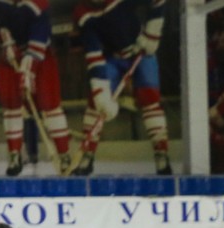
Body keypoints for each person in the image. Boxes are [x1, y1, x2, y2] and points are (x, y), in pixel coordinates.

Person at [70, 0, 170, 176]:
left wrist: (152, 34)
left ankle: (161, 153)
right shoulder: (82, 13)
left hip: (141, 50)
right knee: (96, 103)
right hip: (111, 57)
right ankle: (88, 154)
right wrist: (100, 91)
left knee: (150, 98)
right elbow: (93, 52)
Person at [0, 0, 72, 175]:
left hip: (39, 54)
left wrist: (30, 64)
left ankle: (63, 153)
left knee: (51, 104)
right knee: (11, 105)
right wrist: (3, 37)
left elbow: (42, 26)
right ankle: (15, 155)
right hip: (9, 56)